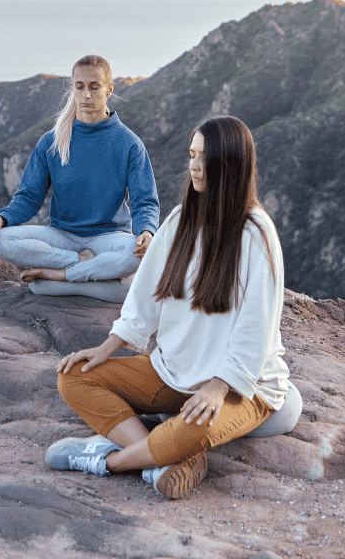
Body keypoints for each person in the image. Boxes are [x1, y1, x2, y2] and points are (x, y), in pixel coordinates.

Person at [45, 115, 288, 500]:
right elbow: (144, 297)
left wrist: (218, 386)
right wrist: (108, 347)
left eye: (204, 157)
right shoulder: (180, 220)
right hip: (173, 373)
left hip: (243, 388)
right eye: (191, 155)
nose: (194, 165)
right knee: (74, 376)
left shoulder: (256, 233)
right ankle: (165, 459)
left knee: (198, 428)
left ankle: (109, 461)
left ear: (230, 164)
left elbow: (255, 328)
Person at [0, 55, 159, 302]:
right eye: (80, 87)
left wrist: (147, 231)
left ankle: (55, 278)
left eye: (94, 87)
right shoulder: (52, 141)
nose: (86, 95)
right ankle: (84, 268)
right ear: (73, 88)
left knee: (133, 254)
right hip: (61, 236)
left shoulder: (129, 144)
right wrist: (2, 219)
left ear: (109, 90)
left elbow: (145, 201)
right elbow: (29, 197)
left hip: (109, 237)